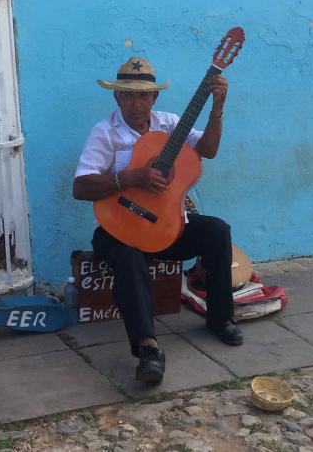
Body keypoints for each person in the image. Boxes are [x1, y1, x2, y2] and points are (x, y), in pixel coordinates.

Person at [72, 56, 242, 385]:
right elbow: (80, 187)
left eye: (144, 96)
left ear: (155, 98)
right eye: (128, 95)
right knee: (129, 255)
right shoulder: (104, 133)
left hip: (166, 226)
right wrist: (130, 177)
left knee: (217, 230)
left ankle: (220, 318)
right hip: (119, 228)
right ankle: (147, 347)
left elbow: (207, 149)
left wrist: (217, 108)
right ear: (116, 97)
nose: (136, 103)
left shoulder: (169, 125)